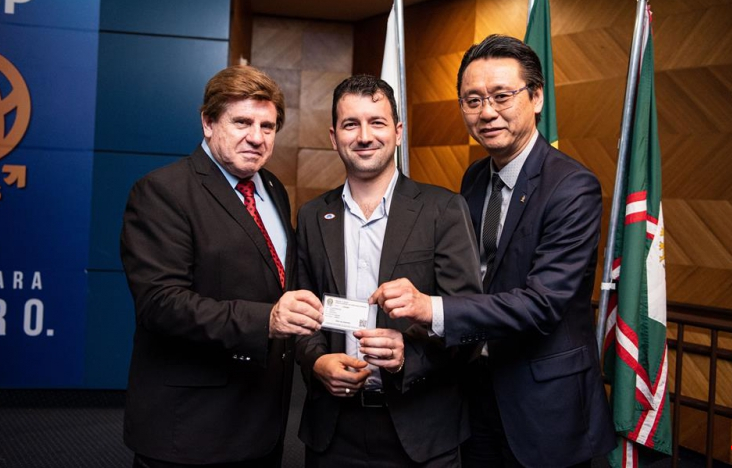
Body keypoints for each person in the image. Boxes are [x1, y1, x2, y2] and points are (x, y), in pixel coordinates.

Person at [371, 35, 616, 467]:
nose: (486, 112)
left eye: (502, 96)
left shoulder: (572, 187)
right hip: (476, 390)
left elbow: (542, 304)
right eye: (473, 100)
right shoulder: (475, 179)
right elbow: (472, 276)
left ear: (536, 97)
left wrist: (432, 308)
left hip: (545, 402)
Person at [120, 65, 324, 468]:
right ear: (209, 122)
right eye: (242, 122)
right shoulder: (163, 191)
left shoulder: (273, 189)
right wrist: (266, 320)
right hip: (191, 427)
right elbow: (160, 304)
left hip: (262, 420)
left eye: (267, 126)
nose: (257, 137)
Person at [294, 74, 482, 467]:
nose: (364, 136)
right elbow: (302, 315)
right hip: (333, 433)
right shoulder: (312, 216)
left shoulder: (443, 210)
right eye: (351, 124)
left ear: (397, 132)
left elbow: (469, 321)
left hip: (422, 430)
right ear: (334, 137)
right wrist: (316, 362)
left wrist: (409, 357)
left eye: (376, 122)